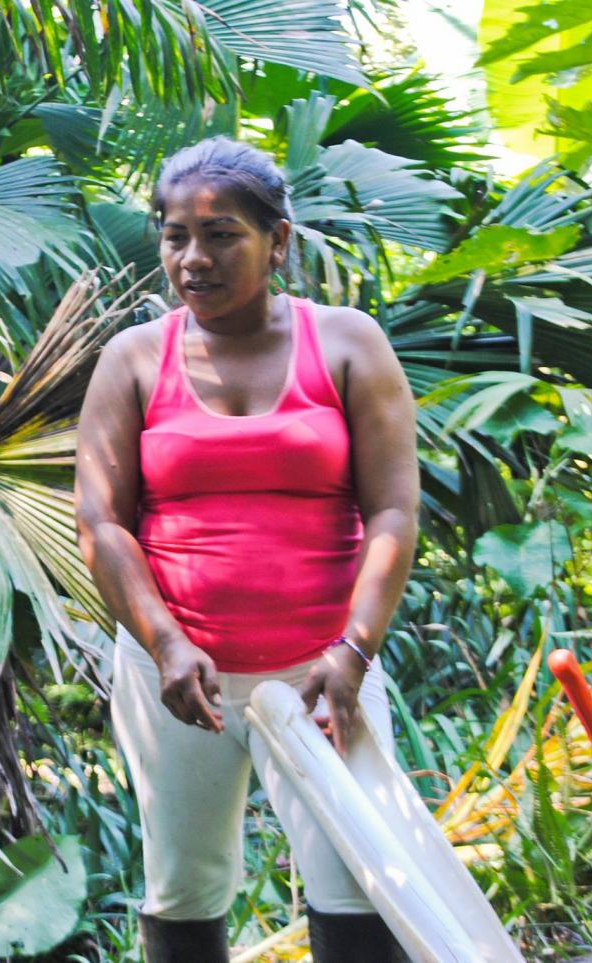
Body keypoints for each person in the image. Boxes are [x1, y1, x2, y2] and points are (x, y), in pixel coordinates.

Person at [75, 137, 419, 963]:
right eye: (173, 235)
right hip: (179, 672)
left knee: (361, 877)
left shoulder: (346, 343)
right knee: (185, 884)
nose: (193, 257)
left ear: (279, 240)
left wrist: (354, 649)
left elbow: (396, 511)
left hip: (325, 669)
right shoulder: (133, 358)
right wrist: (166, 643)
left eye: (222, 234)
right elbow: (103, 523)